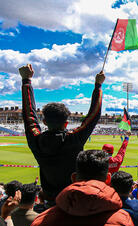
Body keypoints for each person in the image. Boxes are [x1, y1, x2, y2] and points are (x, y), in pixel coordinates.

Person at [19, 64, 105, 204]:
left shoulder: (37, 141)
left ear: (45, 122)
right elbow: (93, 115)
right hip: (74, 198)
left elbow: (29, 115)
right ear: (66, 123)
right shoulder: (73, 139)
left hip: (51, 200)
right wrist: (98, 86)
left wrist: (26, 81)